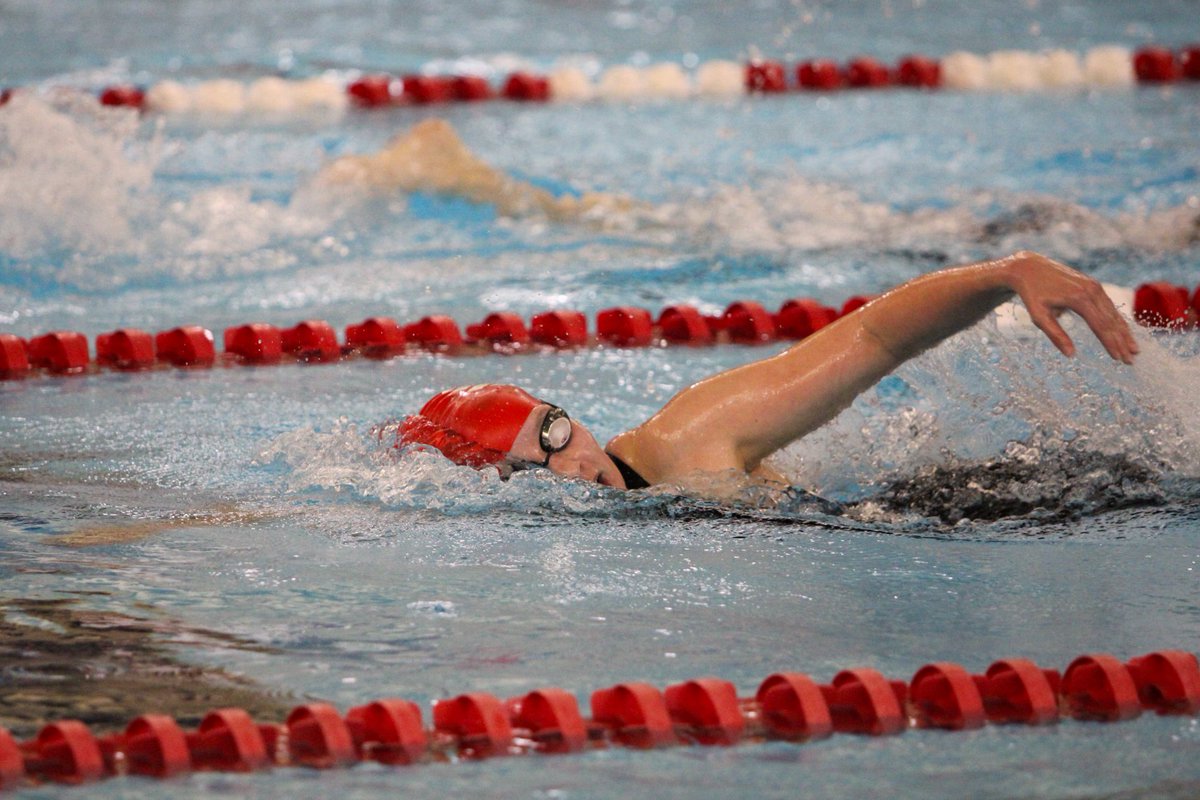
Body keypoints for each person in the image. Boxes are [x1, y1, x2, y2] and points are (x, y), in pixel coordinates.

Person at [398, 251, 1138, 491]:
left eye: (555, 427)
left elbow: (875, 338)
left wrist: (1009, 273)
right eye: (536, 463)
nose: (574, 460)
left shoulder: (692, 436)